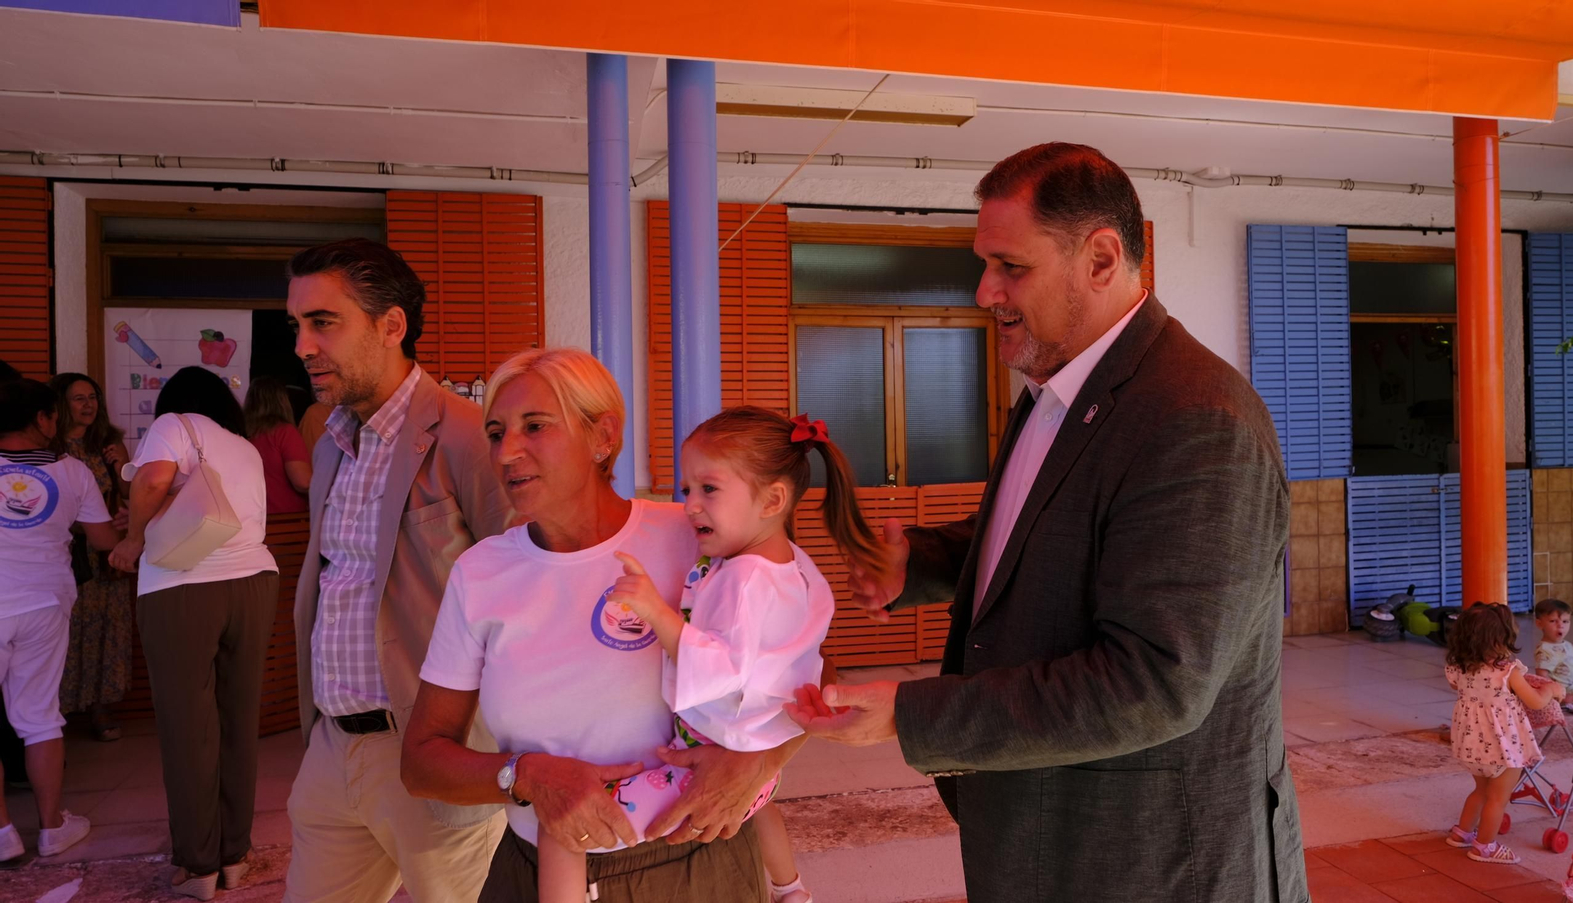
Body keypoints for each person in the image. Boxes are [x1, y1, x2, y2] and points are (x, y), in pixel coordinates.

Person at [789, 143, 1307, 903]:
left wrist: (911, 713)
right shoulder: (1056, 389)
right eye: (984, 264)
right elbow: (1050, 532)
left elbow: (1153, 681)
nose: (984, 291)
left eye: (1011, 267)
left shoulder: (1197, 420)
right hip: (1052, 836)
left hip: (1152, 862)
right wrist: (921, 562)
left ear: (1101, 259)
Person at [400, 348, 804, 902]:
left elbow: (807, 673)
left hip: (694, 869)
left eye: (535, 426)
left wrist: (760, 761)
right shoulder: (480, 572)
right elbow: (422, 761)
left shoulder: (697, 538)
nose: (507, 452)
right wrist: (527, 776)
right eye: (495, 433)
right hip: (534, 872)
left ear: (603, 436)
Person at [532, 405, 875, 903]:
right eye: (687, 489)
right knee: (762, 809)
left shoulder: (743, 578)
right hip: (762, 767)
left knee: (561, 831)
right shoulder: (797, 566)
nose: (690, 506)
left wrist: (654, 610)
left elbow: (721, 668)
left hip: (706, 764)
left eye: (708, 489)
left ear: (772, 499)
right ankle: (792, 890)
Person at [283, 238, 516, 903]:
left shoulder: (469, 437)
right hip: (333, 746)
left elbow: (524, 593)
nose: (301, 346)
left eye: (323, 322)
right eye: (296, 325)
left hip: (433, 750)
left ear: (392, 326)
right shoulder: (331, 443)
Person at [109, 367, 279, 900]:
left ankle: (199, 865)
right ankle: (234, 855)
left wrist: (134, 538)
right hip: (255, 583)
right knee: (237, 722)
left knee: (188, 728)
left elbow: (152, 481)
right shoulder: (243, 446)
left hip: (181, 586)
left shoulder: (173, 425)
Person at [0, 379, 117, 863]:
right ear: (42, 419)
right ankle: (51, 829)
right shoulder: (72, 471)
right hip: (45, 603)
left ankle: (3, 833)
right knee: (40, 717)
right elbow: (105, 542)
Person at [48, 372, 133, 742]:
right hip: (67, 556)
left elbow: (129, 495)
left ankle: (100, 707)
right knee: (65, 633)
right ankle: (56, 714)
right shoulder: (49, 447)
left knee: (105, 631)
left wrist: (122, 466)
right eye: (78, 398)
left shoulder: (107, 443)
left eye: (93, 397)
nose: (88, 405)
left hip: (106, 558)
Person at [1444, 602, 1560, 864]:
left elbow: (1461, 688)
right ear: (1500, 639)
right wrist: (1551, 690)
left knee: (1480, 791)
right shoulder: (1508, 672)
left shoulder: (1459, 669)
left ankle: (1462, 833)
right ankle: (1485, 847)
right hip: (1503, 749)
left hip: (1472, 747)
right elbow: (1536, 702)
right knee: (1498, 799)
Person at [243, 376, 312, 514]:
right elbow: (303, 482)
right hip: (287, 518)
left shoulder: (240, 433)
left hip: (252, 517)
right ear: (283, 401)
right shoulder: (284, 432)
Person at [1532, 598, 1573, 712]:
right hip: (1567, 691)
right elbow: (1542, 679)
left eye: (1565, 621)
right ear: (1539, 624)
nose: (1560, 626)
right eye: (1553, 621)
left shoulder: (1566, 644)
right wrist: (1561, 697)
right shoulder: (1544, 650)